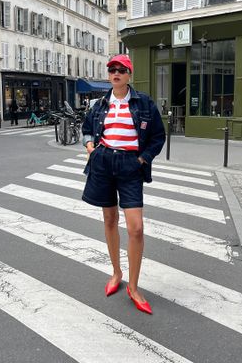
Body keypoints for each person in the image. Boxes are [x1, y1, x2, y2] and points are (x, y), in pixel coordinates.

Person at [82, 54, 165, 314]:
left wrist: (142, 159)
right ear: (108, 75)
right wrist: (90, 147)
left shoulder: (144, 103)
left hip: (130, 165)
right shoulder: (99, 104)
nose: (116, 73)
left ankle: (134, 286)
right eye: (112, 69)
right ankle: (116, 273)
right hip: (103, 162)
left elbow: (158, 136)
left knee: (136, 228)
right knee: (108, 220)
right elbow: (86, 128)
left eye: (121, 69)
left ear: (129, 74)